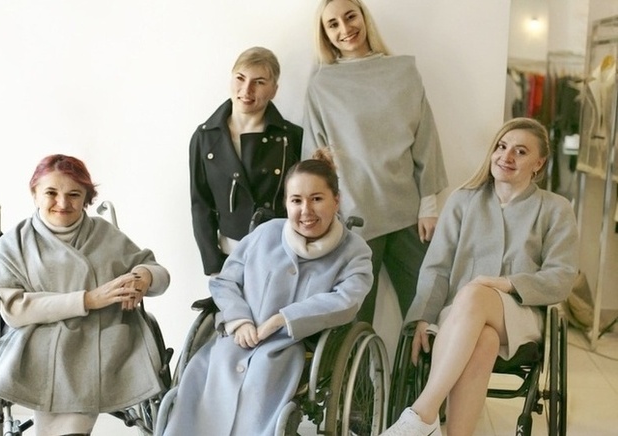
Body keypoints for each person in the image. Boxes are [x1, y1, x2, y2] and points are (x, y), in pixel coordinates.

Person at [383, 118, 579, 436]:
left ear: (539, 163)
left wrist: (507, 284)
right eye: (502, 147)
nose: (506, 156)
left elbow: (562, 277)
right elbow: (437, 267)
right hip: (458, 317)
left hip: (521, 317)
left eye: (521, 151)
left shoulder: (555, 209)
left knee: (475, 293)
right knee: (484, 339)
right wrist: (422, 316)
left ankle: (422, 414)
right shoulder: (463, 200)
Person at [163, 149, 373, 436]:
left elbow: (347, 300)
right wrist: (240, 320)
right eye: (296, 200)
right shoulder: (266, 234)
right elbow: (225, 281)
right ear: (286, 203)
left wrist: (282, 319)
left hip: (288, 349)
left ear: (336, 200)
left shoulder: (354, 251)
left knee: (259, 386)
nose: (306, 210)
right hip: (236, 339)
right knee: (202, 384)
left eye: (317, 199)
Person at [0, 154, 171, 435]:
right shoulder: (13, 244)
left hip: (107, 332)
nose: (63, 203)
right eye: (51, 193)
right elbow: (15, 310)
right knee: (57, 367)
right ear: (34, 194)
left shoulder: (105, 234)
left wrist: (144, 276)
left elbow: (159, 274)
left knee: (88, 363)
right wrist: (89, 299)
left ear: (86, 199)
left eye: (74, 194)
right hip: (37, 335)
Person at [303, 0, 449, 323]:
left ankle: (426, 361)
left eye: (350, 16)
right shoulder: (322, 85)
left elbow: (425, 138)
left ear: (364, 17)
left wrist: (429, 205)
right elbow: (314, 158)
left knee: (426, 311)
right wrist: (321, 218)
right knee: (353, 320)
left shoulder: (403, 71)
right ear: (325, 34)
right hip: (353, 218)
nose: (345, 28)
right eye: (333, 24)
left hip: (408, 214)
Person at [190, 46, 303, 276]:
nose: (246, 89)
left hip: (282, 253)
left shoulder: (292, 137)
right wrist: (214, 267)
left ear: (274, 90)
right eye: (240, 78)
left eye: (259, 82)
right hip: (228, 257)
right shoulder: (204, 137)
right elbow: (200, 204)